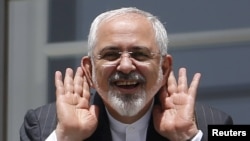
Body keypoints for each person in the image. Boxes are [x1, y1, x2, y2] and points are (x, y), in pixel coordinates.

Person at [20, 7, 233, 141]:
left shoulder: (214, 123)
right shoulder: (43, 125)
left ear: (164, 68)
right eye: (111, 54)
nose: (125, 66)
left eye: (140, 54)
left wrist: (189, 138)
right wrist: (65, 138)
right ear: (90, 69)